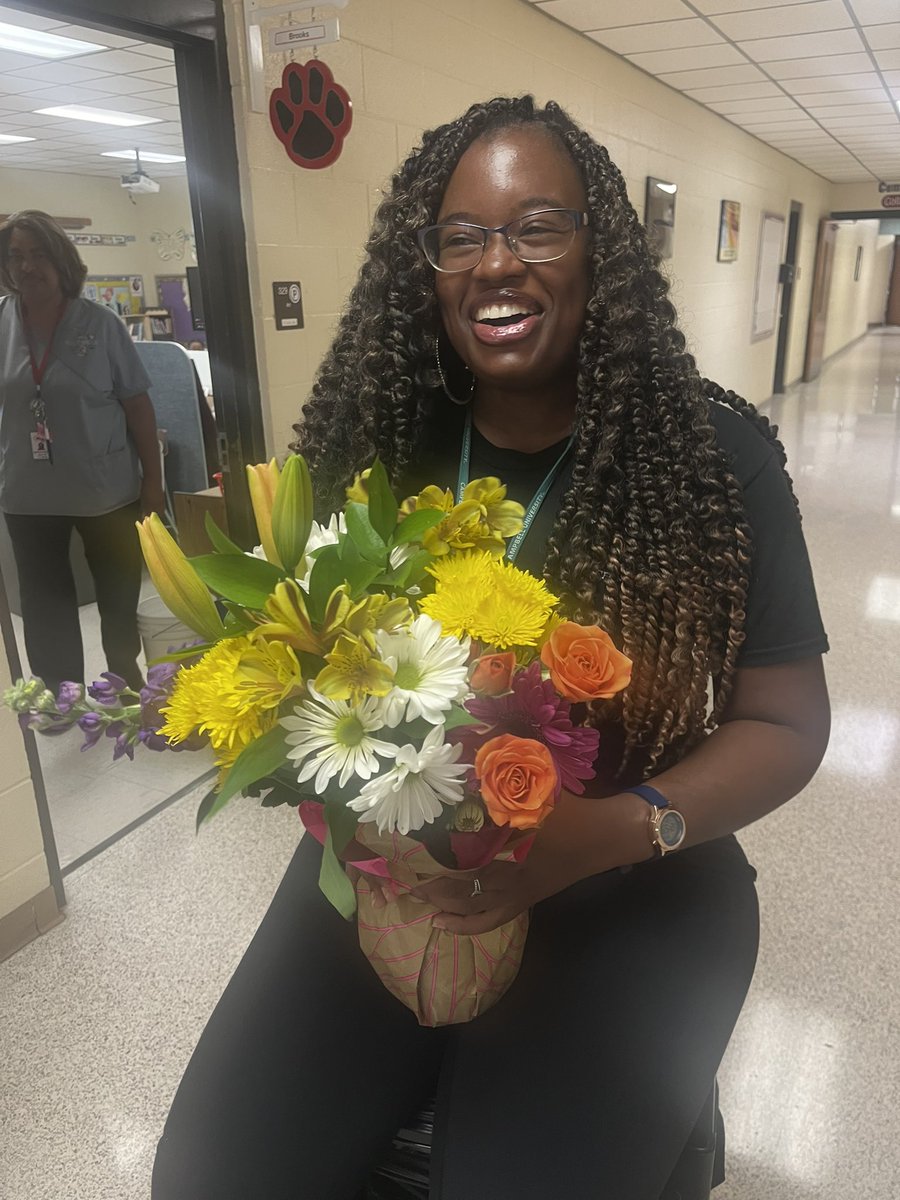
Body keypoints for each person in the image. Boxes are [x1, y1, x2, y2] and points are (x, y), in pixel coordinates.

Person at [152, 97, 830, 1199]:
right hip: (396, 865)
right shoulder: (377, 438)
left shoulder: (713, 456)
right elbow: (295, 658)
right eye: (460, 237)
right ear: (422, 266)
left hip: (629, 872)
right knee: (209, 1179)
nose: (495, 265)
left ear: (597, 248)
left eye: (537, 227)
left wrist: (610, 831)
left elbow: (789, 724)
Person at [0, 210, 165, 693]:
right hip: (28, 494)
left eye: (38, 254)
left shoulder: (101, 324)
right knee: (44, 597)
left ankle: (122, 672)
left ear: (61, 259)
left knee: (117, 589)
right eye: (15, 256)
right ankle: (58, 687)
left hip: (105, 490)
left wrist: (153, 484)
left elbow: (139, 406)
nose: (27, 266)